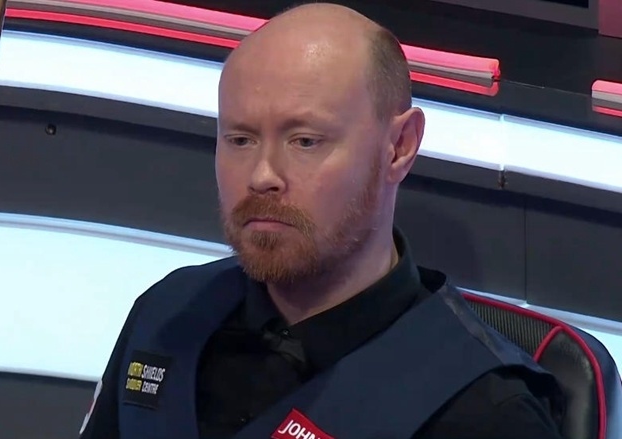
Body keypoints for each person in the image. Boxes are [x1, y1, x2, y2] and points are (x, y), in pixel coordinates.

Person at [78, 3, 566, 438]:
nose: (262, 176)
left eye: (305, 141)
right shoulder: (167, 315)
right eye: (240, 139)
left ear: (399, 147)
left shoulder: (484, 412)